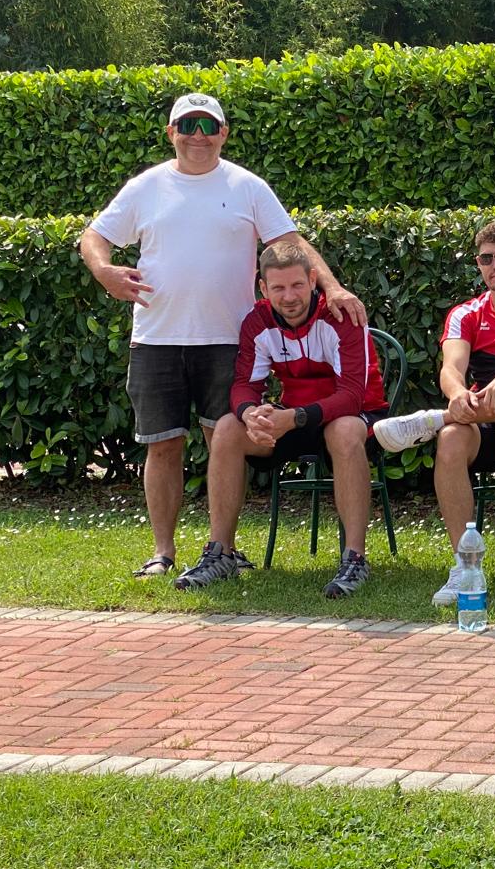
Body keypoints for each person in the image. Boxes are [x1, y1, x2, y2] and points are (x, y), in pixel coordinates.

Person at [80, 92, 366, 580]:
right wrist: (104, 271)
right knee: (162, 446)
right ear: (171, 133)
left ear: (224, 133)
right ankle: (163, 552)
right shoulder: (145, 186)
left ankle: (223, 551)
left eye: (209, 126)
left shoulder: (248, 186)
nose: (198, 135)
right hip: (155, 337)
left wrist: (333, 287)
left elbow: (290, 244)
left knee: (225, 439)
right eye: (187, 125)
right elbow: (94, 236)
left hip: (228, 337)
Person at [371, 220, 495, 608]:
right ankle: (465, 567)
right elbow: (450, 369)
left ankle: (439, 418)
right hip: (485, 423)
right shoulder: (464, 313)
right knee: (451, 440)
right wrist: (457, 393)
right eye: (486, 258)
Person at [173, 241, 389, 597]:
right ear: (263, 288)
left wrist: (296, 417)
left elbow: (352, 395)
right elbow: (244, 385)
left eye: (297, 285)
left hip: (352, 414)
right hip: (293, 415)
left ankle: (355, 558)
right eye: (278, 288)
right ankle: (221, 553)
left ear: (313, 280)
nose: (289, 297)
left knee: (345, 430)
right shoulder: (257, 321)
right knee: (227, 427)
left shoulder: (342, 315)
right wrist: (250, 414)